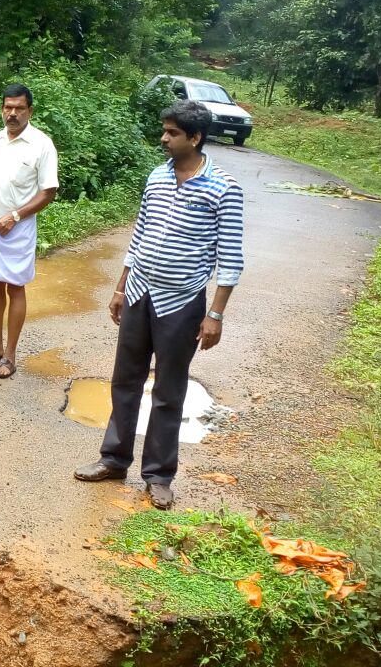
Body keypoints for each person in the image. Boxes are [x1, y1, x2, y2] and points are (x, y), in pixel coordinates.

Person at [73, 100, 245, 510]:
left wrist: (215, 314)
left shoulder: (224, 188)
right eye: (164, 131)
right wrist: (120, 287)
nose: (163, 139)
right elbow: (139, 236)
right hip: (139, 292)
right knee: (125, 380)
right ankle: (113, 459)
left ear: (196, 138)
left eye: (172, 133)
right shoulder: (156, 177)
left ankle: (159, 476)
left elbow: (231, 258)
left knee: (169, 389)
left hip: (183, 302)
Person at [0, 83, 59, 379]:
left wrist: (15, 216)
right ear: (2, 109)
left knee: (15, 286)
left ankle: (10, 356)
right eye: (8, 107)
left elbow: (48, 192)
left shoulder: (42, 145)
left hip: (17, 228)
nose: (12, 113)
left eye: (19, 108)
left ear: (30, 110)